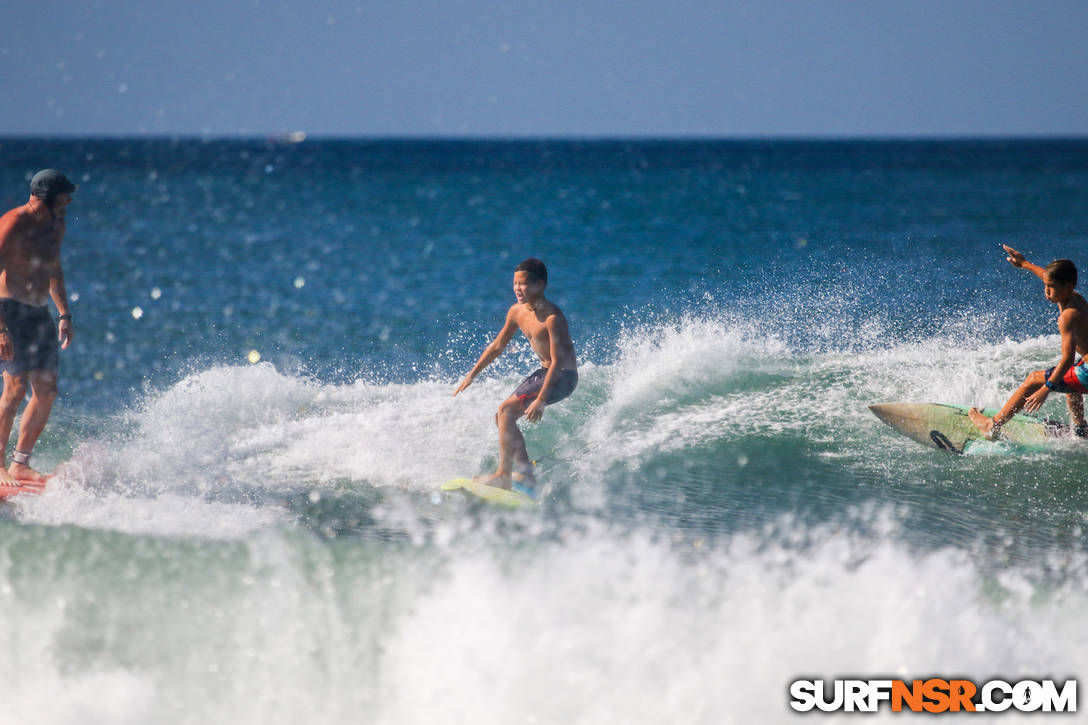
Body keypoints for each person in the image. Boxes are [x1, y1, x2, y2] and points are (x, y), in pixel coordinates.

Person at [453, 258, 578, 494]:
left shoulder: (552, 318)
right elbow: (498, 346)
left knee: (505, 411)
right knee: (502, 418)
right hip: (545, 372)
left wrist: (540, 400)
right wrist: (472, 374)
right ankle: (525, 472)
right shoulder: (516, 312)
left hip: (563, 376)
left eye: (523, 284)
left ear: (540, 285)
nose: (518, 289)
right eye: (515, 283)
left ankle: (503, 476)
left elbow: (558, 361)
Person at [0, 170, 76, 484]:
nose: (68, 201)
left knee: (46, 390)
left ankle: (20, 463)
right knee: (15, 389)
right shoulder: (13, 223)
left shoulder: (56, 224)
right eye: (64, 196)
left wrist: (64, 314)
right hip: (9, 311)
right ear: (45, 197)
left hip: (39, 313)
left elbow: (53, 267)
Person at [968, 245, 1088, 439]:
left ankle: (991, 426)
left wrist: (1046, 388)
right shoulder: (1074, 297)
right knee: (1069, 380)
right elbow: (1047, 277)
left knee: (1033, 379)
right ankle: (1081, 429)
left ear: (1067, 287)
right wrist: (1024, 263)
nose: (1046, 291)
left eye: (1051, 287)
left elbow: (1067, 359)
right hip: (1086, 364)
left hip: (1087, 372)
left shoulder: (1068, 316)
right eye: (1045, 285)